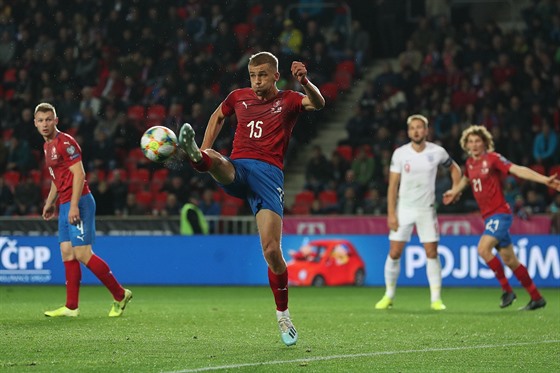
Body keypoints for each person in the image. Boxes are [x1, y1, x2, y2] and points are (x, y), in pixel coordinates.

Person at [177, 51, 325, 346]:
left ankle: (283, 314)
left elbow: (319, 103)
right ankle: (198, 155)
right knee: (217, 161)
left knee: (271, 251)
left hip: (268, 176)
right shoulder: (238, 97)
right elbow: (218, 114)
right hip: (239, 166)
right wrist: (206, 146)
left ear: (275, 76)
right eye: (253, 76)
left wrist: (305, 81)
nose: (256, 81)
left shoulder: (289, 100)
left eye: (262, 75)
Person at [443, 125, 560, 310]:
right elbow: (466, 179)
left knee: (483, 249)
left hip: (500, 213)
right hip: (489, 217)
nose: (474, 145)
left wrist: (545, 179)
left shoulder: (493, 159)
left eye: (477, 141)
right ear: (466, 144)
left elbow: (517, 169)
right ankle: (536, 297)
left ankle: (507, 290)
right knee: (510, 261)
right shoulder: (470, 164)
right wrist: (453, 191)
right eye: (470, 141)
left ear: (484, 142)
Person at [34, 103, 132, 317]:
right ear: (35, 123)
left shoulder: (65, 143)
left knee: (83, 253)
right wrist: (50, 202)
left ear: (56, 120)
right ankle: (71, 307)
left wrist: (74, 205)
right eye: (40, 120)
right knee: (67, 252)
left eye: (48, 119)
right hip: (65, 203)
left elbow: (79, 174)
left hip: (79, 202)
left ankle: (120, 294)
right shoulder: (47, 146)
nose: (44, 124)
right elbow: (56, 179)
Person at [375, 114, 462, 311]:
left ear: (426, 130)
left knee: (431, 252)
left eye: (419, 127)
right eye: (412, 128)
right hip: (404, 208)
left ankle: (436, 299)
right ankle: (388, 295)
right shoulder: (400, 153)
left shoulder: (437, 152)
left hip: (427, 210)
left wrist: (455, 189)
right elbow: (392, 186)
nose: (416, 131)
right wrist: (391, 212)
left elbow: (455, 169)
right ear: (408, 132)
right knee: (395, 252)